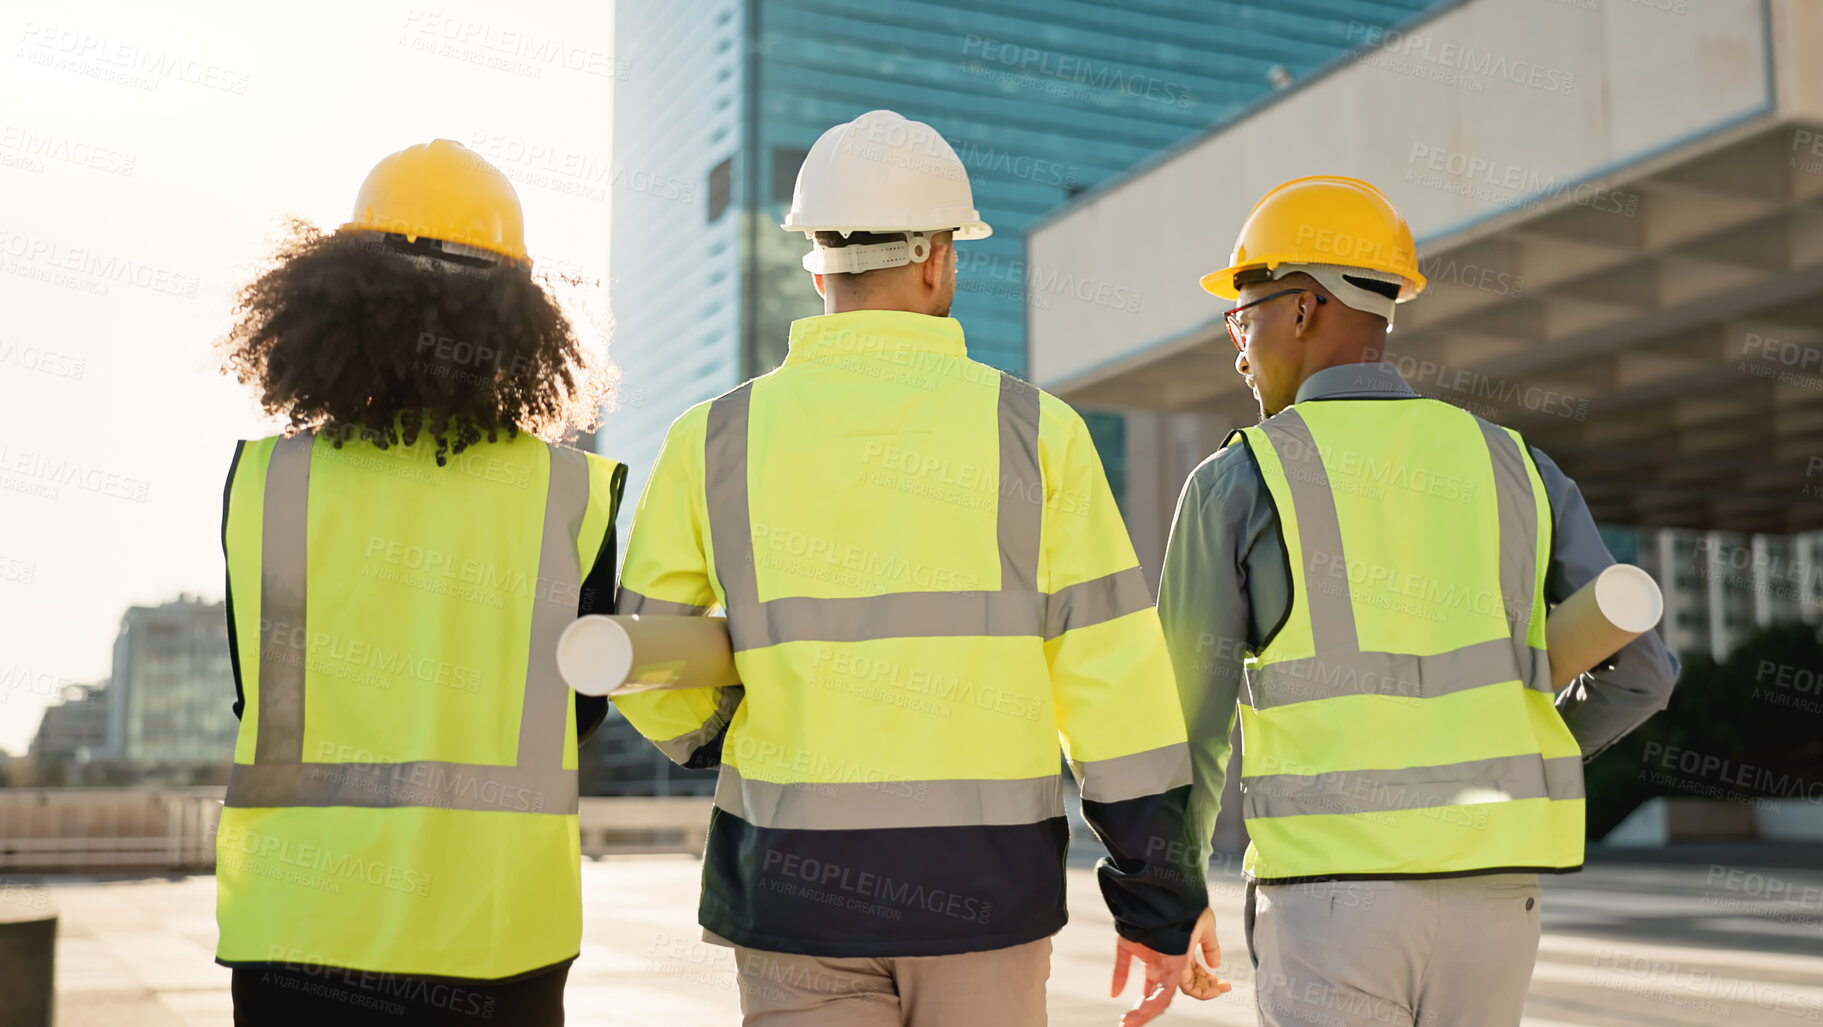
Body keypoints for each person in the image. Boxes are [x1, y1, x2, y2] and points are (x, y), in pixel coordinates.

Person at [610, 109, 1216, 1027]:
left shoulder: (713, 438)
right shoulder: (1034, 433)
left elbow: (644, 656)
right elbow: (1112, 689)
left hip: (789, 885)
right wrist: (1157, 904)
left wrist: (725, 726)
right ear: (937, 256)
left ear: (816, 263)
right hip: (984, 889)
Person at [1159, 176, 1681, 1027]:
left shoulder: (1239, 480)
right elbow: (1644, 675)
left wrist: (1164, 897)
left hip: (1333, 899)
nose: (1238, 348)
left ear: (1300, 308)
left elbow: (1186, 724)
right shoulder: (1516, 466)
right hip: (1495, 901)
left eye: (1241, 316)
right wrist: (1511, 757)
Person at [212, 139, 623, 1026]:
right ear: (520, 319)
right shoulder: (569, 495)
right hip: (498, 936)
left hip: (298, 932)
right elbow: (581, 711)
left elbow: (257, 696)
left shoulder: (268, 483)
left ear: (330, 296)